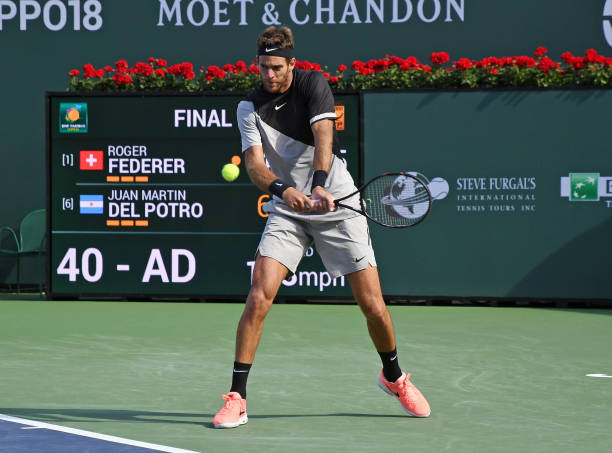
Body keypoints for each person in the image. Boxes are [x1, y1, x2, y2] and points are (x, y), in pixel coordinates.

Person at [212, 26, 430, 429]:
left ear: (292, 64)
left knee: (373, 307)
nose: (269, 75)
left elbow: (323, 136)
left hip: (337, 202)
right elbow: (256, 166)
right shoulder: (249, 106)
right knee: (259, 295)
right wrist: (284, 189)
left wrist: (317, 184)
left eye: (276, 67)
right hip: (288, 208)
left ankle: (394, 377)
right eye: (263, 67)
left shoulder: (314, 84)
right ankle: (237, 398)